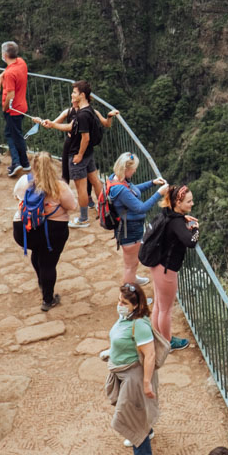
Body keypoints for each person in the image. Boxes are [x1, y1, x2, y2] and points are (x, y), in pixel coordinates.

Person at [106, 280, 168, 455]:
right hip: (123, 370)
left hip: (133, 374)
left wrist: (147, 383)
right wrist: (111, 352)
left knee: (129, 415)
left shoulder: (139, 324)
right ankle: (146, 431)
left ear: (135, 305)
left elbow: (149, 355)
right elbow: (122, 340)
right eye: (119, 300)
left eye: (124, 302)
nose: (119, 305)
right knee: (136, 411)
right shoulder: (126, 318)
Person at [27, 80, 101, 229]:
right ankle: (105, 209)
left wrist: (79, 155)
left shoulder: (82, 115)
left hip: (78, 154)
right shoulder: (87, 111)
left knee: (81, 187)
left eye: (74, 92)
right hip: (88, 153)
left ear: (82, 94)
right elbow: (69, 126)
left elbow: (85, 138)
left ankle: (84, 218)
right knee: (94, 179)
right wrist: (48, 123)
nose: (72, 94)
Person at [10, 152, 76, 311]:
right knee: (48, 263)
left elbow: (16, 196)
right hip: (53, 230)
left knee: (37, 253)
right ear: (52, 165)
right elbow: (72, 206)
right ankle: (48, 299)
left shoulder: (24, 181)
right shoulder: (60, 186)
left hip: (25, 228)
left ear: (33, 166)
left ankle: (42, 281)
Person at [145, 182, 201, 350]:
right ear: (178, 203)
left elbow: (173, 222)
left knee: (158, 306)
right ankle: (168, 343)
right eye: (188, 202)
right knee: (165, 310)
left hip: (157, 266)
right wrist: (195, 229)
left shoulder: (168, 213)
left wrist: (183, 218)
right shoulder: (176, 223)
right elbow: (190, 242)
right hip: (167, 270)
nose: (192, 204)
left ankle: (157, 338)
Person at [103, 152, 165, 287]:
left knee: (130, 264)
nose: (135, 170)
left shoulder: (115, 179)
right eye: (133, 168)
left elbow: (134, 190)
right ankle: (125, 302)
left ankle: (132, 280)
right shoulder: (120, 189)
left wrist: (152, 183)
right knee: (130, 266)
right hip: (130, 231)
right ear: (126, 169)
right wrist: (159, 193)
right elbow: (141, 208)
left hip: (126, 228)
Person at [0, 40, 30, 176]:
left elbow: (10, 94)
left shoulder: (11, 73)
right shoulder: (21, 63)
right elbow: (10, 70)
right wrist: (2, 75)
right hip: (21, 106)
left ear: (5, 54)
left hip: (13, 109)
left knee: (12, 135)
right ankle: (24, 163)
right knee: (15, 134)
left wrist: (5, 108)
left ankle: (17, 163)